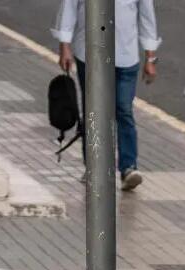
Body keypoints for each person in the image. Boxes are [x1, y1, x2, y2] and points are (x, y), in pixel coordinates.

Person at [54, 0, 160, 191]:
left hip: (126, 57)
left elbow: (146, 16)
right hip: (90, 54)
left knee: (123, 109)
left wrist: (150, 58)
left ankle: (128, 168)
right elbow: (69, 7)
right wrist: (65, 46)